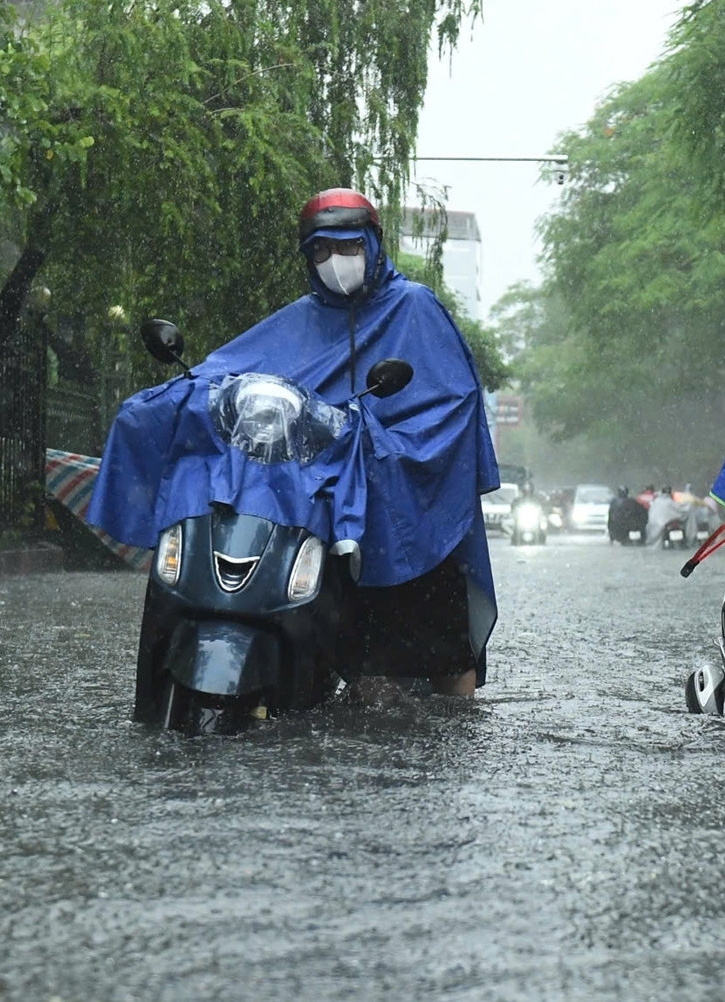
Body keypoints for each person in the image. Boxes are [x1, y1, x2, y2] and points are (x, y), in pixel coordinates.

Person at [190, 188, 498, 697]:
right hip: (335, 516)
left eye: (348, 246)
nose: (336, 261)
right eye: (321, 250)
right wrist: (181, 394)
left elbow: (455, 405)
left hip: (416, 511)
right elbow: (232, 374)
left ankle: (454, 734)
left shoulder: (415, 308)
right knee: (362, 668)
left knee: (444, 652)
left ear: (373, 243)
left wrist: (384, 446)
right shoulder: (301, 321)